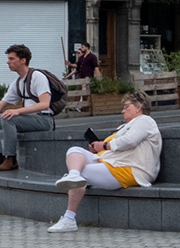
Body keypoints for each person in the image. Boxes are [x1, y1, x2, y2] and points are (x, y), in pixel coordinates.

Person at [47, 91, 161, 233]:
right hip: (114, 163)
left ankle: (69, 219)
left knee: (83, 172)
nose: (122, 111)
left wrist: (104, 146)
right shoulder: (127, 126)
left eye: (126, 107)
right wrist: (99, 149)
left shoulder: (145, 120)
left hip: (131, 169)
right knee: (74, 150)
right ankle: (73, 175)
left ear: (138, 107)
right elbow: (118, 147)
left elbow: (129, 141)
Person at [0, 44, 54, 172]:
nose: (8, 62)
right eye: (8, 59)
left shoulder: (37, 77)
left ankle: (11, 159)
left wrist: (17, 111)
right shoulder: (18, 82)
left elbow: (45, 104)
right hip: (28, 119)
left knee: (9, 117)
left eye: (12, 59)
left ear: (23, 60)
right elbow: (0, 105)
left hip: (43, 120)